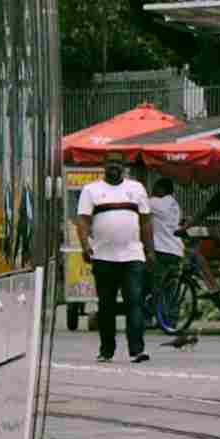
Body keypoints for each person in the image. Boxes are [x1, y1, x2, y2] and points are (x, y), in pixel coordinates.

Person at [77, 155, 152, 363]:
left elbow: (146, 222)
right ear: (104, 166)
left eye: (118, 163)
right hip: (103, 257)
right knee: (106, 305)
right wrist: (85, 245)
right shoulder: (90, 190)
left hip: (133, 256)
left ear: (124, 167)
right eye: (110, 163)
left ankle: (137, 350)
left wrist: (150, 251)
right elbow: (82, 221)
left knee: (134, 302)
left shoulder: (137, 189)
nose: (114, 167)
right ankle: (106, 350)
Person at [147, 173, 183, 332]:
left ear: (162, 190)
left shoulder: (156, 203)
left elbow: (139, 204)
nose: (152, 191)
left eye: (155, 189)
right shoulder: (174, 204)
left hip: (162, 250)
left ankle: (155, 318)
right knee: (171, 288)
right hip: (176, 250)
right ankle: (170, 320)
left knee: (156, 285)